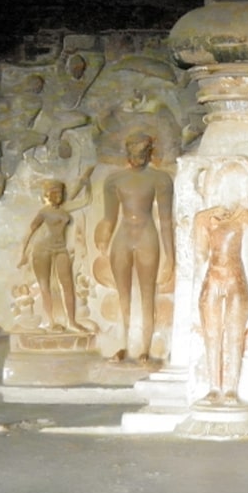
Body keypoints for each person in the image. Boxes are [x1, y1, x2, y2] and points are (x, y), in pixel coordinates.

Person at [95, 133, 174, 364]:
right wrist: (103, 240)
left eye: (142, 153)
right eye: (133, 153)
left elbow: (166, 220)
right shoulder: (115, 180)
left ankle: (145, 349)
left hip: (147, 235)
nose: (137, 158)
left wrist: (170, 257)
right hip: (123, 236)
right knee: (123, 295)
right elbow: (109, 217)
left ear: (150, 153)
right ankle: (121, 344)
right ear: (127, 153)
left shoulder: (160, 179)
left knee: (148, 293)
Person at [193, 202, 248, 406]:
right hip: (212, 279)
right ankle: (214, 387)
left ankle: (231, 388)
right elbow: (200, 255)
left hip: (236, 280)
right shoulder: (208, 220)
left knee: (234, 336)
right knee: (211, 335)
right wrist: (203, 219)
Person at [18, 168, 94, 332]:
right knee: (44, 287)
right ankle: (51, 321)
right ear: (47, 195)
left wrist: (86, 183)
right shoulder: (44, 212)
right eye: (54, 192)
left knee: (67, 285)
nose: (58, 196)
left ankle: (72, 321)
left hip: (60, 249)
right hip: (42, 249)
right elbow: (30, 231)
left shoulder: (64, 209)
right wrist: (23, 254)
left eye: (60, 192)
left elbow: (86, 200)